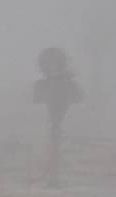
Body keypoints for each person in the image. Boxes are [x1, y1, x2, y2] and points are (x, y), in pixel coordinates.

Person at [32, 47, 82, 185]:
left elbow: (79, 105)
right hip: (46, 128)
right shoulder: (40, 85)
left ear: (61, 63)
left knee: (58, 151)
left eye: (54, 63)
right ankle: (49, 176)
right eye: (47, 63)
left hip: (63, 127)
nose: (51, 67)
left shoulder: (70, 84)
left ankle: (54, 177)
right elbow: (34, 107)